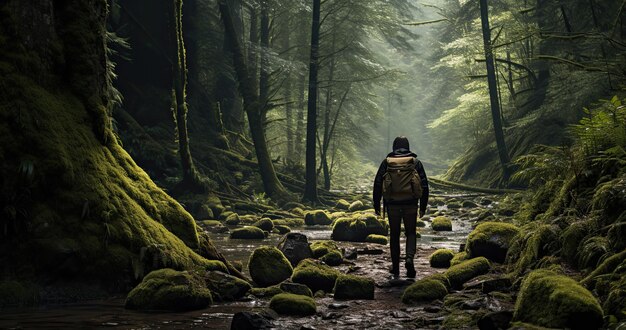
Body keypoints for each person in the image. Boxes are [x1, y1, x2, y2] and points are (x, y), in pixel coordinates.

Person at [373, 136, 429, 278]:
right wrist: (423, 206)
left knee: (395, 235)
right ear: (408, 146)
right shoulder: (415, 162)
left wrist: (376, 204)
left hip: (392, 204)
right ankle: (409, 259)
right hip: (411, 203)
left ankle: (396, 267)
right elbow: (424, 185)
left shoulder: (387, 162)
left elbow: (378, 183)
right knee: (410, 233)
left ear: (394, 147)